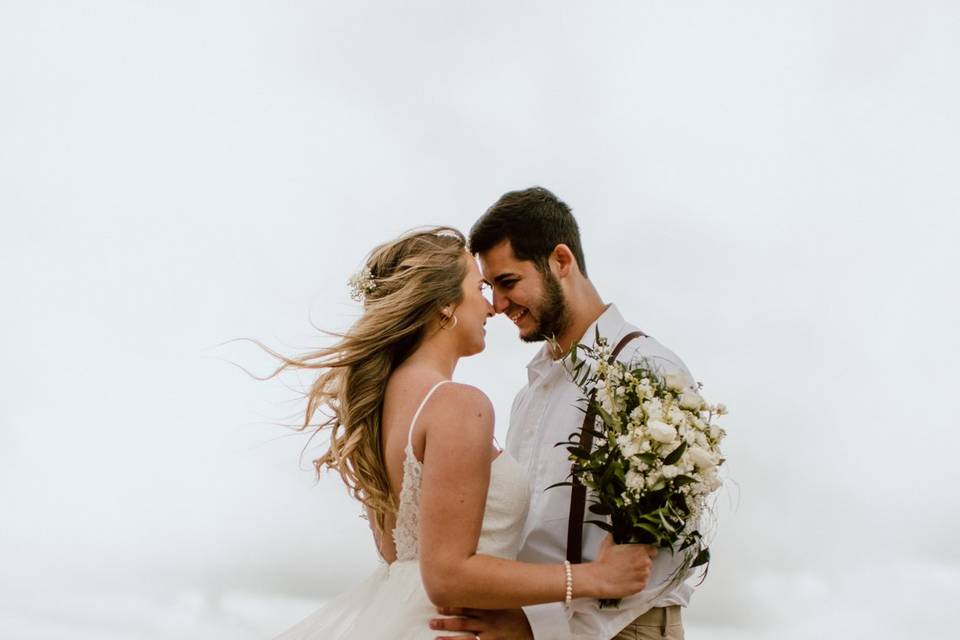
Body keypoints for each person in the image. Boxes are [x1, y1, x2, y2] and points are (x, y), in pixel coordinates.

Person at [269, 227, 658, 640]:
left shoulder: (384, 404)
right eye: (479, 287)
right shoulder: (457, 404)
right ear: (443, 306)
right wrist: (595, 578)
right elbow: (447, 575)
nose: (492, 307)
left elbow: (396, 554)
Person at [429, 189, 698, 640]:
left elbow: (662, 556)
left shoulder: (650, 371)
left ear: (560, 260)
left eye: (508, 282)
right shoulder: (529, 394)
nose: (496, 304)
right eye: (489, 287)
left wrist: (537, 626)